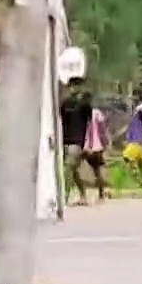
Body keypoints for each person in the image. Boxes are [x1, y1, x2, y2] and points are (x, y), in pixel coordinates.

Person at [59, 77, 107, 205]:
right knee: (73, 171)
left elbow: (90, 125)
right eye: (72, 86)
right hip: (65, 141)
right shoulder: (65, 103)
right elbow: (61, 122)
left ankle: (65, 197)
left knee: (68, 168)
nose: (74, 88)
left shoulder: (85, 105)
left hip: (78, 142)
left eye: (77, 85)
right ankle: (83, 194)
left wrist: (88, 143)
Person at [121, 86, 142, 195]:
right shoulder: (137, 109)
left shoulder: (141, 109)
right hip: (137, 140)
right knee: (141, 165)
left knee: (127, 159)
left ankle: (139, 182)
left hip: (137, 140)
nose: (133, 99)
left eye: (134, 97)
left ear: (139, 97)